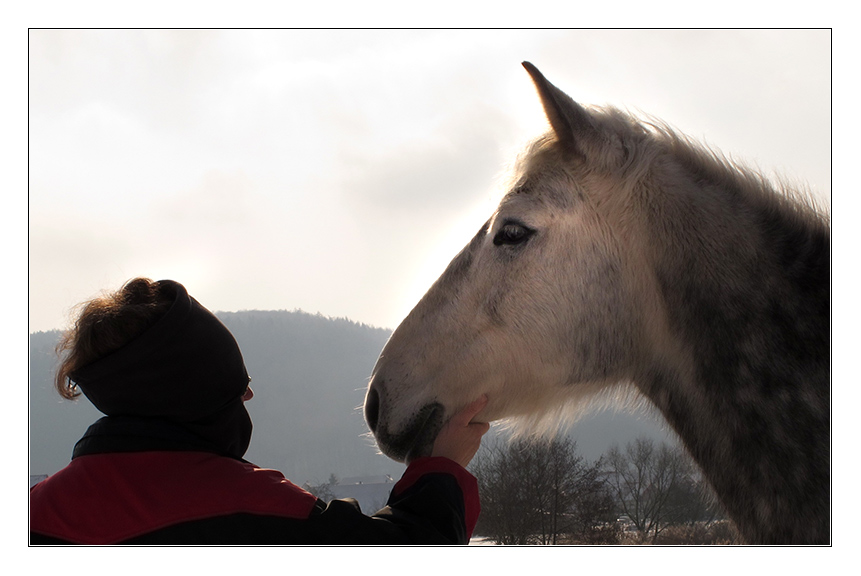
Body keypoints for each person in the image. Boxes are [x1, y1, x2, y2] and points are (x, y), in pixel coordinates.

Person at [29, 278, 489, 544]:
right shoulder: (251, 509)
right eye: (236, 386)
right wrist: (442, 469)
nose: (248, 398)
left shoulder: (32, 517)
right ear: (194, 397)